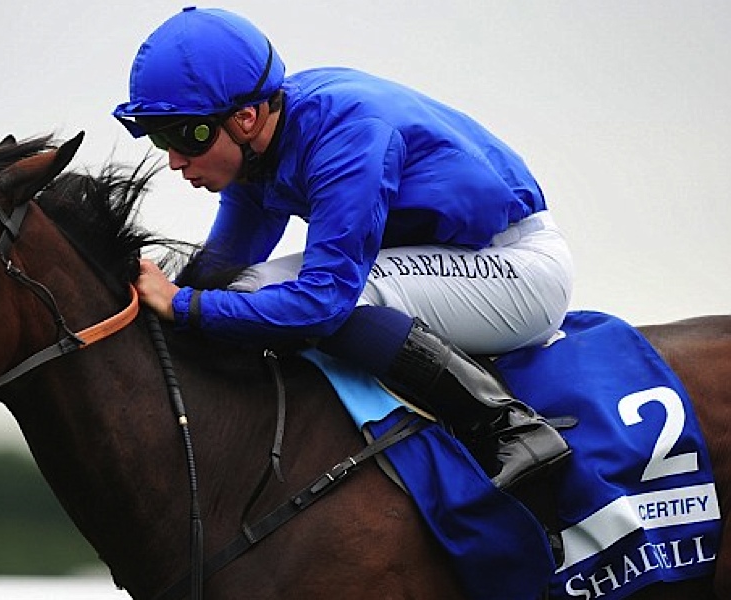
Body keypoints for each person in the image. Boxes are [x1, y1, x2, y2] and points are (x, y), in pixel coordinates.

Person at [113, 6, 574, 490]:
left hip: (515, 268)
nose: (174, 160)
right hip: (453, 260)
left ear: (245, 118)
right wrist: (147, 298)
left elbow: (323, 302)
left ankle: (509, 426)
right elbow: (225, 270)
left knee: (337, 299)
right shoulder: (262, 146)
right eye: (160, 138)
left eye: (188, 135)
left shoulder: (345, 134)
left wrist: (183, 305)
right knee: (247, 288)